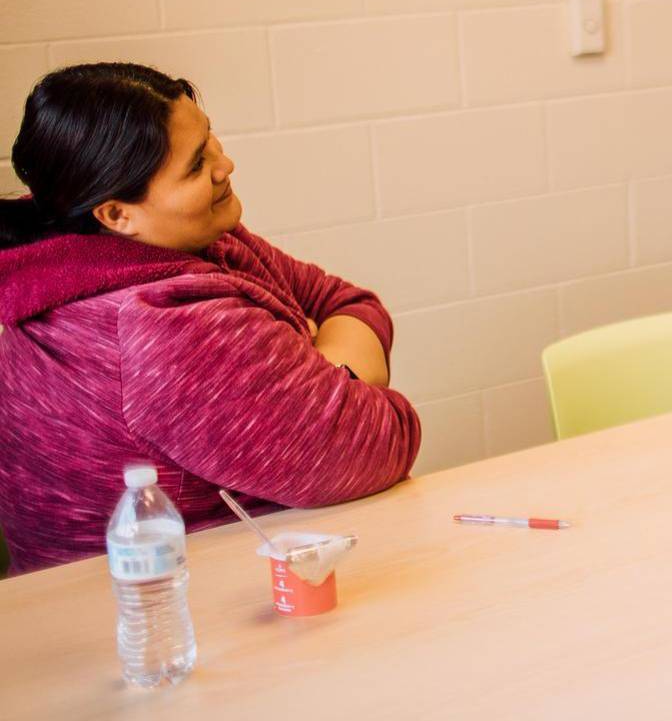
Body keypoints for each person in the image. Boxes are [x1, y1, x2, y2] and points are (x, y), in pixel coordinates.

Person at [0, 64, 421, 573]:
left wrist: (318, 375)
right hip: (167, 610)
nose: (226, 166)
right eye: (197, 165)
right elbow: (381, 442)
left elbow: (348, 301)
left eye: (210, 140)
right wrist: (336, 374)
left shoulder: (193, 238)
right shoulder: (163, 328)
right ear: (115, 214)